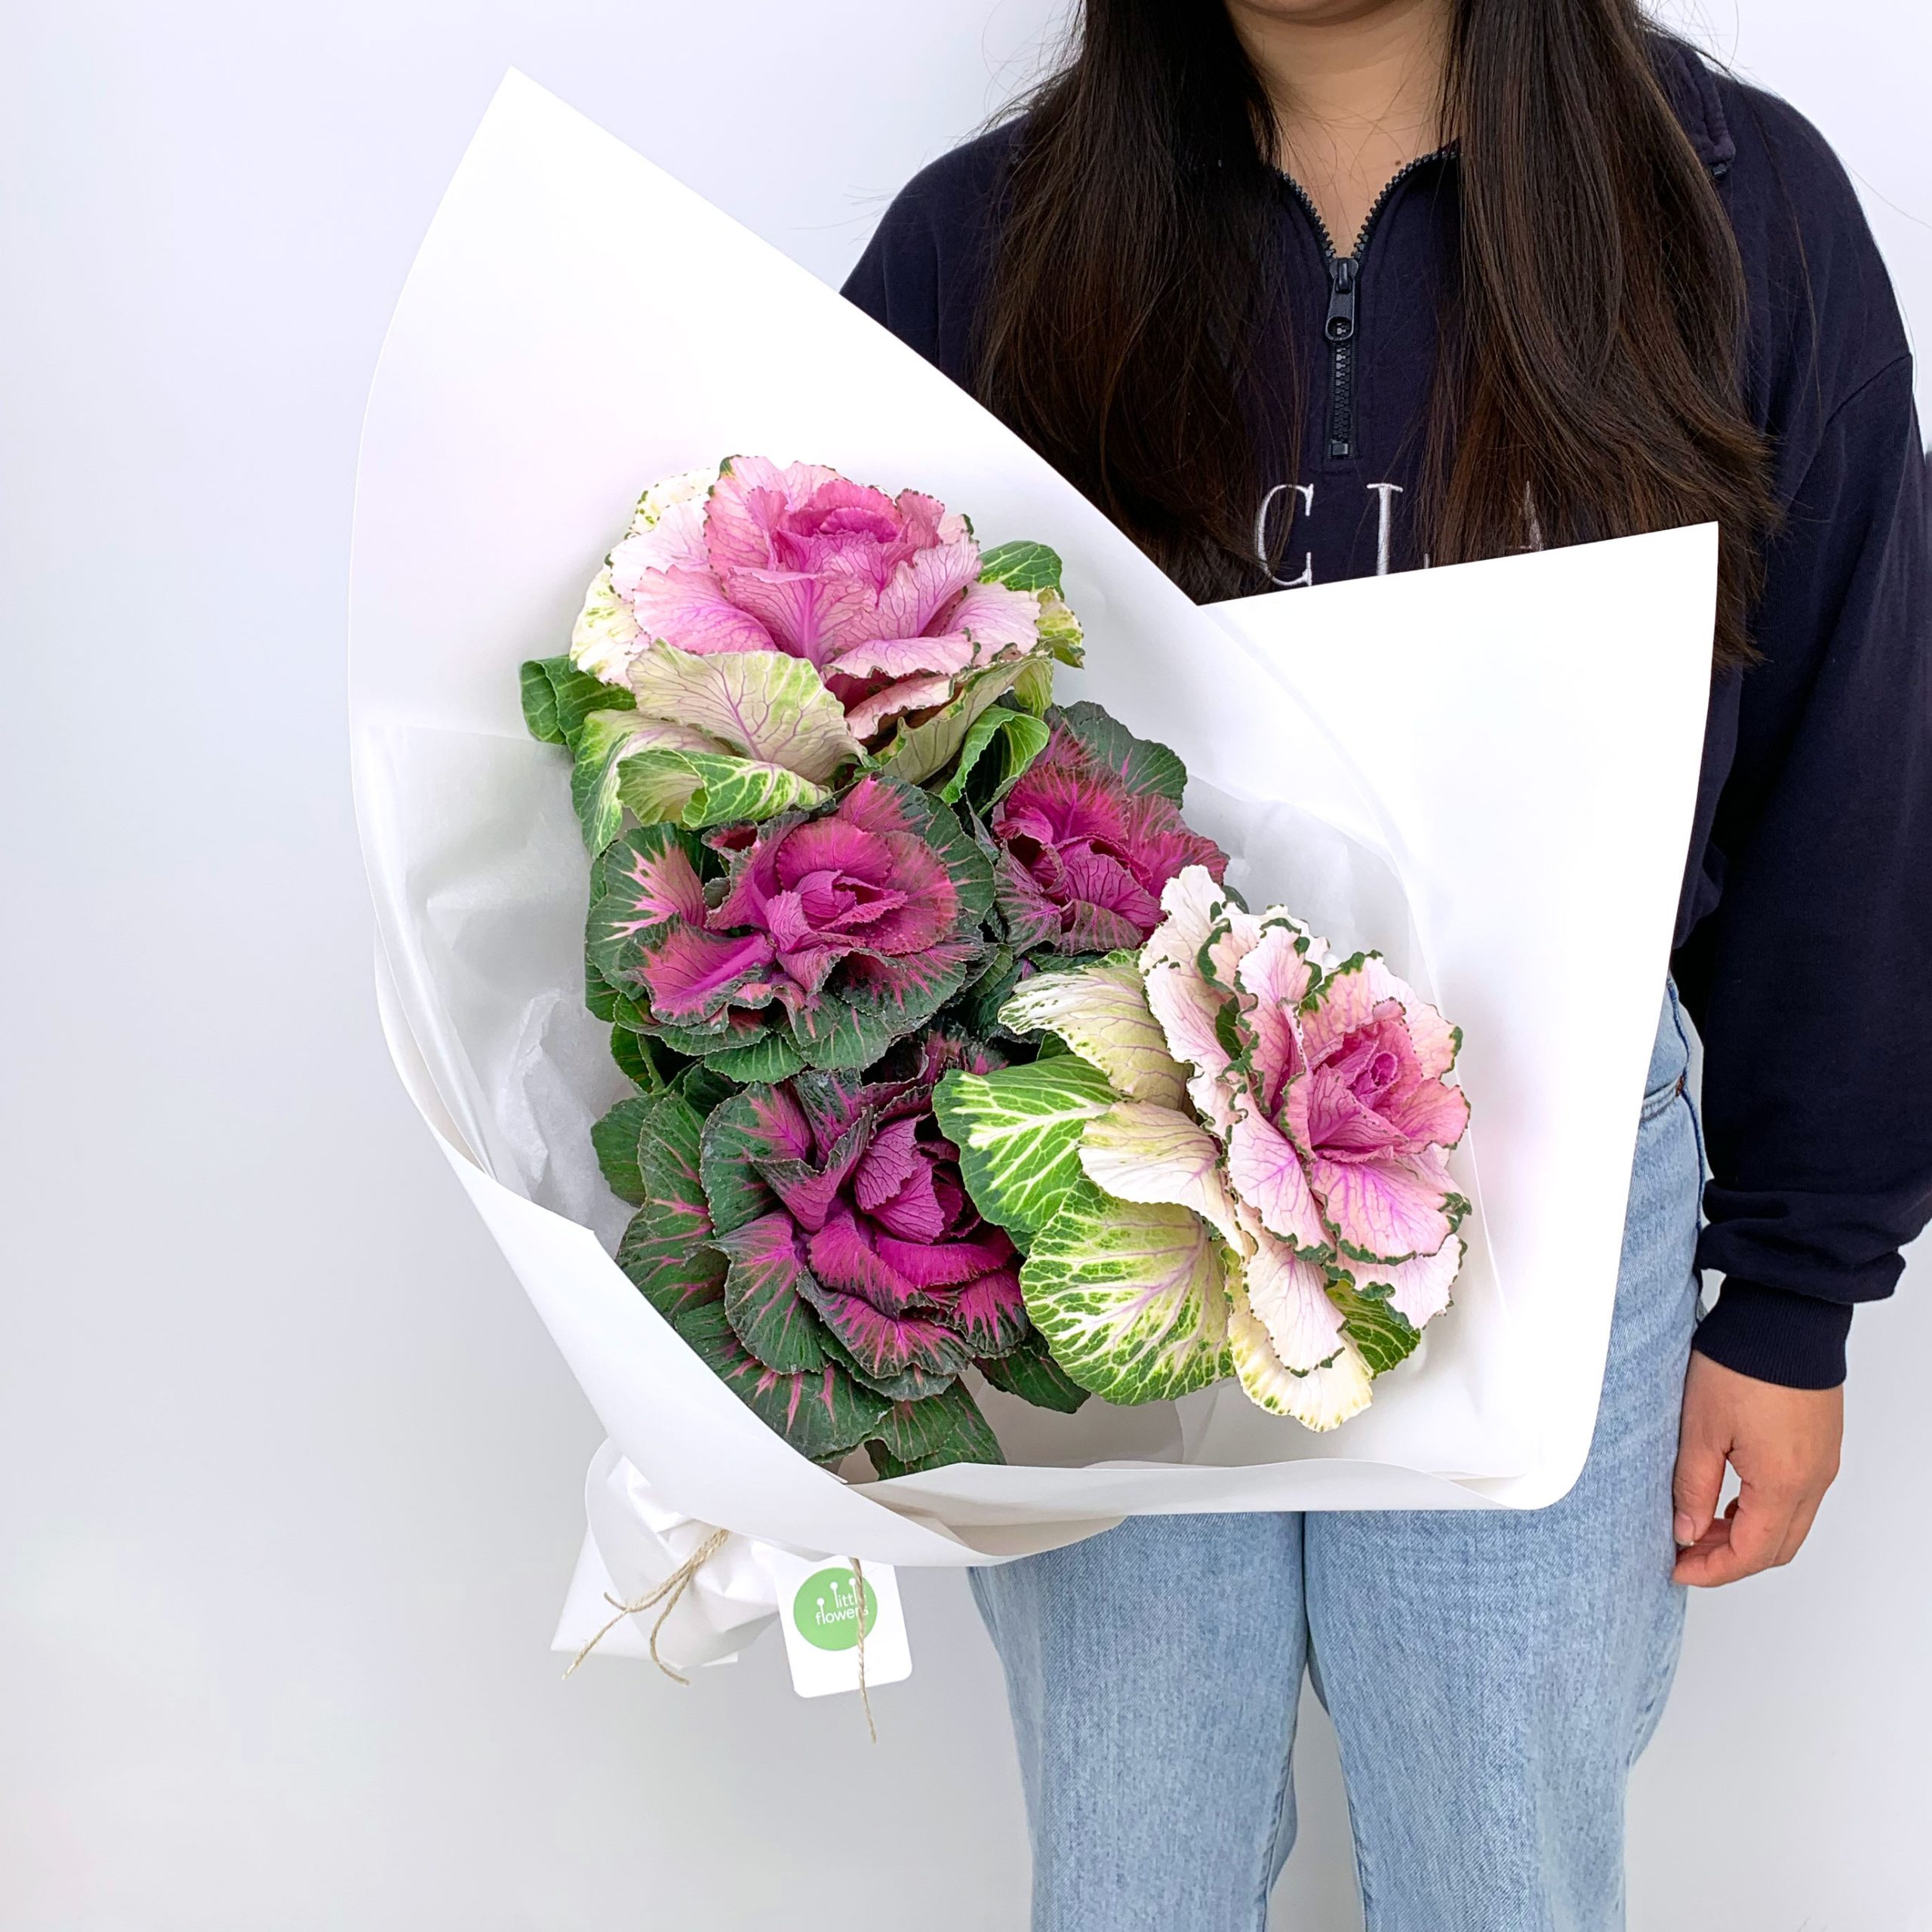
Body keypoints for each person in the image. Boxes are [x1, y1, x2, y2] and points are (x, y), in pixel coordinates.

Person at [841, 2, 1930, 1925]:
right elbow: (841, 763)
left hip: (1549, 1160)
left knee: (1499, 1867)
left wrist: (1793, 1288)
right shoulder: (979, 244)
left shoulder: (1734, 211)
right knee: (1127, 1871)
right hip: (1102, 1172)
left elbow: (1852, 755)